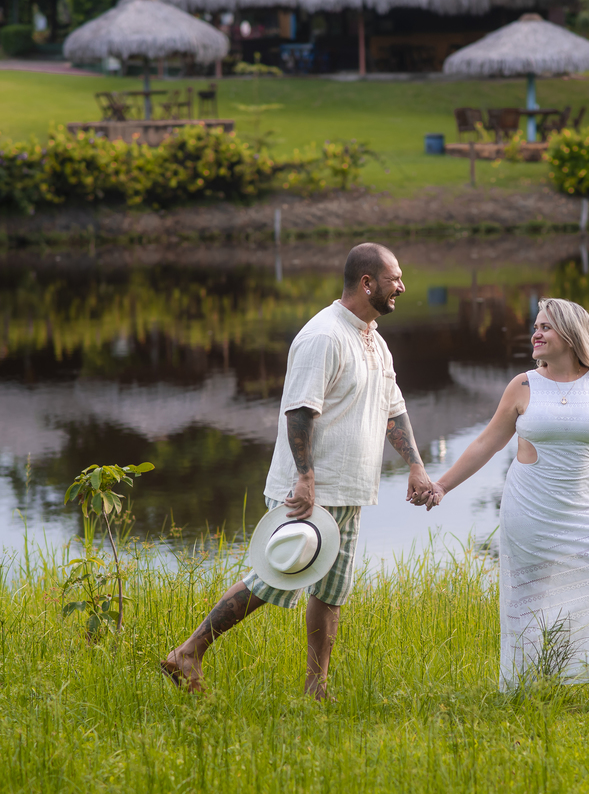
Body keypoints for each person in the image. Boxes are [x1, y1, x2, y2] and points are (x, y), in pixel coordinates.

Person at [161, 243, 434, 698]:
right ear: (367, 282)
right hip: (310, 490)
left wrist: (417, 467)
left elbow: (394, 409)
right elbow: (299, 411)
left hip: (350, 490)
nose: (402, 287)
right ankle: (188, 652)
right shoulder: (323, 335)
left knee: (331, 591)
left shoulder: (373, 338)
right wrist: (305, 478)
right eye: (395, 279)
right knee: (272, 580)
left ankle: (316, 688)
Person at [423, 298, 589, 705]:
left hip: (583, 508)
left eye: (546, 327)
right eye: (535, 327)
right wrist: (442, 485)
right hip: (530, 509)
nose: (535, 334)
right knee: (529, 600)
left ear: (570, 335)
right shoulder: (523, 385)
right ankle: (523, 692)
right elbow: (487, 441)